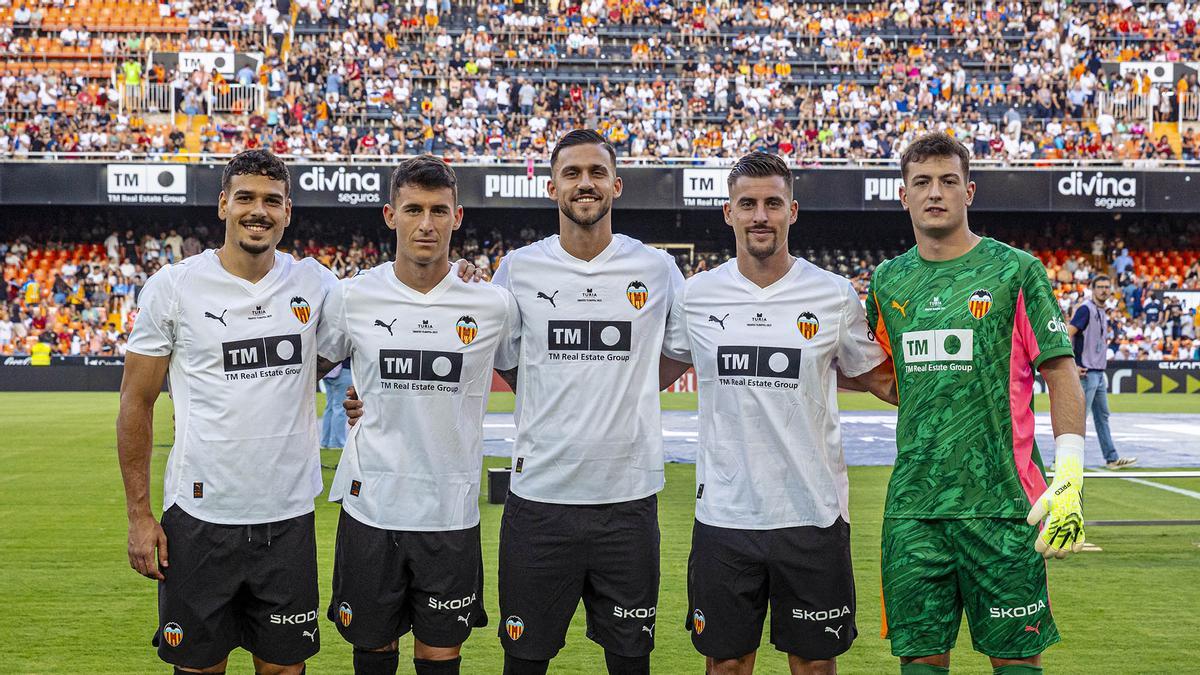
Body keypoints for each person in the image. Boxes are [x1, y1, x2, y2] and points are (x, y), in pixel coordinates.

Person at [660, 152, 897, 675]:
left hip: (811, 513)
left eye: (772, 203)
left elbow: (880, 379)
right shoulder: (696, 296)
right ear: (728, 213)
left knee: (813, 665)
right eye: (748, 204)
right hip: (725, 514)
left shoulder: (833, 294)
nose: (760, 215)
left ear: (793, 210)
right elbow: (642, 374)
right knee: (726, 663)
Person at [865, 133, 1088, 675]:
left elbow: (1061, 371)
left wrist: (1071, 475)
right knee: (919, 660)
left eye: (946, 181)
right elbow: (881, 373)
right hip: (915, 509)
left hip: (1004, 507)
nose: (934, 192)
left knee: (1015, 660)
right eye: (922, 182)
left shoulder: (1017, 271)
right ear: (904, 195)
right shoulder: (888, 280)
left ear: (969, 190)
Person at [117, 150, 338, 675]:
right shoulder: (174, 286)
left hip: (285, 520)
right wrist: (139, 516)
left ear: (288, 212)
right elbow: (136, 401)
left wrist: (459, 272)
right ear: (223, 205)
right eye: (245, 198)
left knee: (284, 668)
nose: (257, 211)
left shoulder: (318, 284)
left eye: (271, 201)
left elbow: (370, 332)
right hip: (198, 521)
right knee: (199, 668)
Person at [316, 155, 519, 675]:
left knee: (440, 655)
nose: (425, 223)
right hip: (372, 510)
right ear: (390, 215)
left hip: (449, 512)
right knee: (373, 650)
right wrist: (352, 399)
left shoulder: (492, 305)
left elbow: (534, 385)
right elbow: (300, 374)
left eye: (438, 210)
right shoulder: (352, 297)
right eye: (413, 210)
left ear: (458, 217)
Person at [1068, 275, 1136, 469]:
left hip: (1098, 373)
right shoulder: (1085, 310)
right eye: (1100, 287)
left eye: (1107, 287)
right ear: (1092, 289)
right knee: (1079, 418)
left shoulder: (1102, 312)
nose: (1104, 290)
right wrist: (1072, 364)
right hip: (1086, 372)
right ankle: (1063, 461)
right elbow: (1067, 332)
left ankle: (1111, 458)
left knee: (1102, 416)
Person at [320, 356, 353, 449]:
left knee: (329, 407)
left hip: (327, 372)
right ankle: (337, 443)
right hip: (343, 370)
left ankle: (324, 442)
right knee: (340, 407)